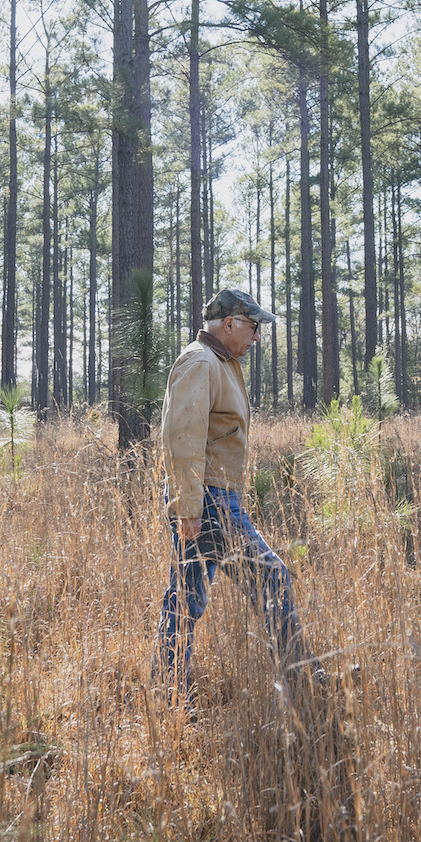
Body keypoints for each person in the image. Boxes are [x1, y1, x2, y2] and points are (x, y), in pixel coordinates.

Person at [155, 287, 316, 694]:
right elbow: (182, 438)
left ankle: (168, 687)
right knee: (272, 577)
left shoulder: (221, 362)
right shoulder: (200, 362)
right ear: (229, 324)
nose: (257, 337)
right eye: (253, 327)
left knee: (187, 596)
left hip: (210, 497)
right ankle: (302, 678)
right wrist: (188, 507)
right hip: (207, 501)